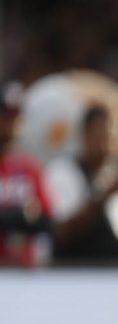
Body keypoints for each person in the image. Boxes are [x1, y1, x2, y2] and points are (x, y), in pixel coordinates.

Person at [45, 104, 118, 264]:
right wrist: (111, 190)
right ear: (85, 134)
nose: (106, 143)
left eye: (112, 136)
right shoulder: (63, 172)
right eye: (101, 134)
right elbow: (63, 231)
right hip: (76, 273)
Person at [0, 81, 53, 267]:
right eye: (5, 116)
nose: (11, 123)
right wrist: (19, 216)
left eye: (16, 116)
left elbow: (48, 222)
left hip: (23, 277)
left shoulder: (30, 169)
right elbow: (27, 216)